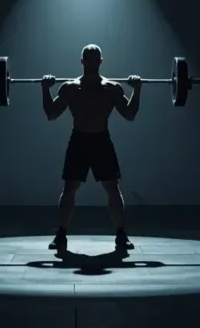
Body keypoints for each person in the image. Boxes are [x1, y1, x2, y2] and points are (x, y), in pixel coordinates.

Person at [41, 44, 141, 252]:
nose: (92, 62)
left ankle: (121, 235)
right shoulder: (70, 88)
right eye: (88, 59)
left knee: (112, 189)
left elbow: (130, 114)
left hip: (101, 141)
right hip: (78, 140)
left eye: (95, 59)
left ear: (101, 62)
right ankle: (61, 235)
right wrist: (45, 89)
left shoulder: (112, 88)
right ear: (82, 61)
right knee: (70, 189)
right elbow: (52, 114)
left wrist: (137, 90)